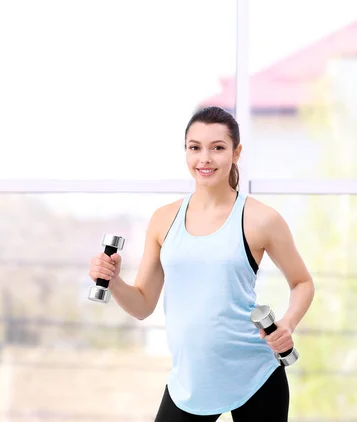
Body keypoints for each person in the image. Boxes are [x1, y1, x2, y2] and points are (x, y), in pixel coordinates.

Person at [88, 106, 315, 421]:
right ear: (186, 152)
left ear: (236, 153)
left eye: (217, 148)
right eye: (195, 148)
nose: (204, 159)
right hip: (190, 381)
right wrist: (113, 280)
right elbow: (142, 305)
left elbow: (302, 282)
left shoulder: (261, 219)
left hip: (254, 373)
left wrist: (288, 324)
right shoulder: (163, 220)